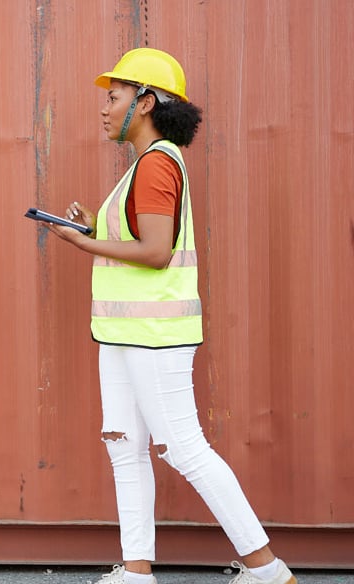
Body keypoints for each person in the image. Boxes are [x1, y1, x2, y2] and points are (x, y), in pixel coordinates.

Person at [45, 48, 296, 584]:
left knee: (184, 448)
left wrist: (81, 244)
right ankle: (136, 570)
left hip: (154, 335)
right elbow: (138, 242)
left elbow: (157, 252)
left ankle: (267, 568)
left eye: (113, 98)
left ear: (146, 101)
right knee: (125, 445)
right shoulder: (146, 164)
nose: (105, 109)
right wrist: (97, 232)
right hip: (123, 333)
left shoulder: (157, 163)